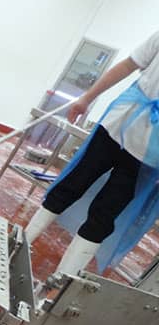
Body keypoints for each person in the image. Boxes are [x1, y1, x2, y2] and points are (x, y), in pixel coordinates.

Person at [24, 30, 159, 278]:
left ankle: (62, 279)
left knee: (105, 213)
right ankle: (21, 243)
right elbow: (128, 65)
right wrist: (86, 98)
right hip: (116, 125)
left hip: (149, 154)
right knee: (72, 183)